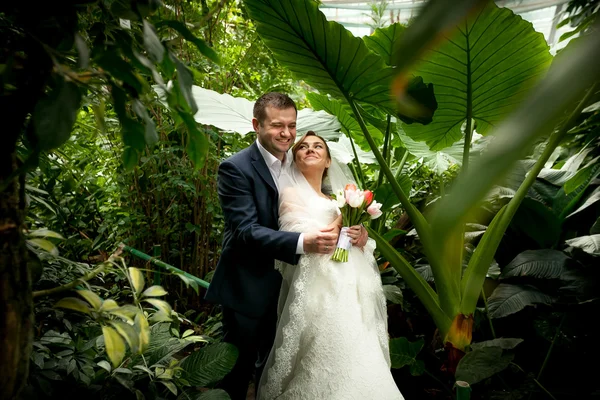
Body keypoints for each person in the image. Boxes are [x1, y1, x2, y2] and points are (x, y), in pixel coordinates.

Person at [205, 93, 345, 400]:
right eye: (277, 125)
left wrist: (351, 231)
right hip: (249, 285)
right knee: (236, 372)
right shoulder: (235, 168)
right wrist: (301, 242)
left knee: (277, 370)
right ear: (257, 125)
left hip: (295, 288)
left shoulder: (299, 161)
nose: (286, 133)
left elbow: (328, 209)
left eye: (292, 126)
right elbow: (245, 231)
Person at [257, 132, 405, 400]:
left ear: (327, 161)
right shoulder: (289, 191)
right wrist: (343, 219)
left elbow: (358, 243)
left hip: (352, 289)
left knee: (360, 349)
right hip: (320, 287)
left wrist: (361, 235)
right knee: (324, 348)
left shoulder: (333, 200)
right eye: (302, 147)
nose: (310, 150)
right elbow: (296, 232)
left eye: (318, 147)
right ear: (295, 157)